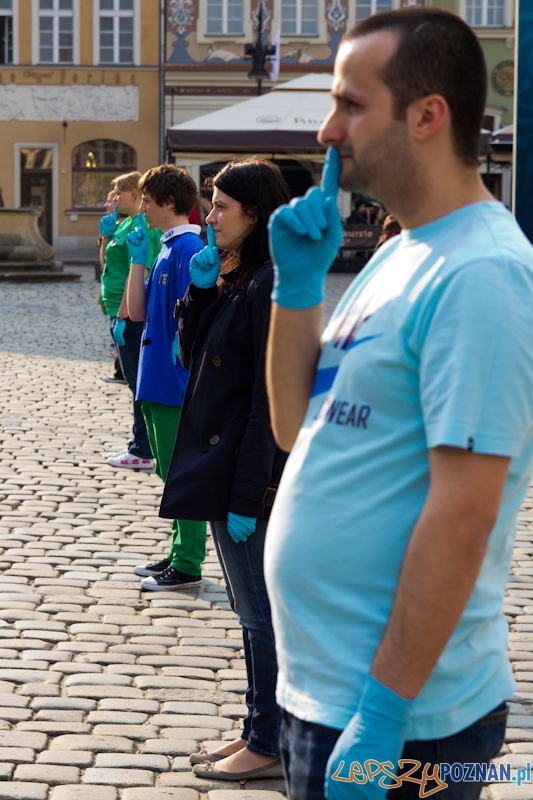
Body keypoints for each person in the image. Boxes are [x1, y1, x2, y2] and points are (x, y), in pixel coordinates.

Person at [264, 8, 533, 800]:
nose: (325, 130)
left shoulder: (481, 273)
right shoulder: (401, 252)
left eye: (350, 103)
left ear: (426, 115)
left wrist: (383, 708)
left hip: (404, 716)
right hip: (323, 690)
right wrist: (297, 288)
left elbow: (463, 514)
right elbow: (292, 426)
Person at [159, 159, 290, 781]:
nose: (208, 217)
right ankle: (258, 731)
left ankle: (269, 742)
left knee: (261, 616)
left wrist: (249, 493)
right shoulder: (241, 278)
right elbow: (198, 359)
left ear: (254, 215)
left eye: (219, 207)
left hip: (248, 476)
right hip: (224, 465)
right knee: (250, 612)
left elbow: (270, 401)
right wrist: (203, 292)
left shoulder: (271, 283)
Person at [120, 164, 207, 591]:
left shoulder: (189, 249)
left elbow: (193, 326)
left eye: (149, 200)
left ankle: (189, 563)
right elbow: (137, 313)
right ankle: (178, 552)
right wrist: (138, 262)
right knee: (167, 473)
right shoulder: (165, 247)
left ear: (170, 202)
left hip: (174, 383)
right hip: (154, 379)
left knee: (180, 474)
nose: (144, 208)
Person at [99, 171, 161, 470]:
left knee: (139, 385)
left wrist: (124, 315)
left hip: (129, 315)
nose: (113, 199)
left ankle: (143, 449)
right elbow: (108, 265)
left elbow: (140, 274)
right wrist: (106, 237)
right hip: (117, 310)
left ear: (133, 194)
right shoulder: (124, 224)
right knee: (134, 383)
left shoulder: (142, 226)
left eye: (117, 194)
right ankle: (143, 445)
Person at [99, 190, 127, 385]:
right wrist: (105, 238)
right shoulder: (116, 227)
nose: (109, 204)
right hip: (112, 298)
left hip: (121, 300)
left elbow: (137, 270)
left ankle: (121, 373)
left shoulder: (132, 226)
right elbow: (105, 264)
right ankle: (121, 371)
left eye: (114, 199)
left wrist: (124, 310)